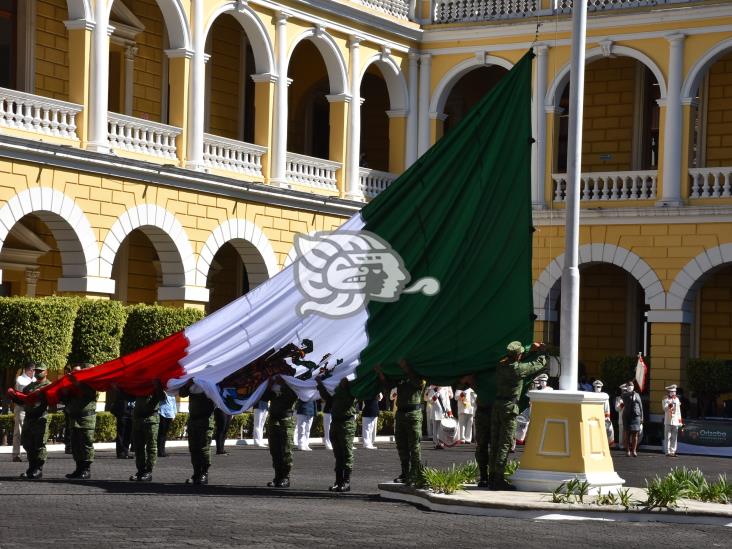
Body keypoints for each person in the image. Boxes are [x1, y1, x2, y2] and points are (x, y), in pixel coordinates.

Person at [489, 341, 547, 490]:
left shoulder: (501, 364)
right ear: (518, 355)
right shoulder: (518, 369)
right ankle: (498, 479)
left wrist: (527, 351)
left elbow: (514, 357)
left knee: (495, 443)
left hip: (497, 406)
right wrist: (541, 351)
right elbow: (538, 364)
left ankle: (491, 477)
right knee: (505, 444)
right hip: (509, 409)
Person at [375, 360, 424, 486]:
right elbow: (388, 387)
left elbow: (419, 384)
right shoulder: (399, 377)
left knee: (414, 445)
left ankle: (415, 473)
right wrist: (380, 373)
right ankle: (405, 473)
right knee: (401, 445)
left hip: (414, 413)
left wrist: (407, 368)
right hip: (401, 413)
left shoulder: (418, 375)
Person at [10, 363, 51, 479]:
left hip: (40, 418)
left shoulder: (49, 386)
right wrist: (14, 397)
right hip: (29, 418)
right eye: (36, 371)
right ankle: (31, 467)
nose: (38, 373)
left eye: (41, 371)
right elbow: (23, 401)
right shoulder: (30, 386)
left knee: (39, 445)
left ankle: (38, 469)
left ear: (46, 372)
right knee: (28, 444)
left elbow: (53, 401)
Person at [317, 376, 357, 492]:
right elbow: (328, 399)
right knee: (338, 454)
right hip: (335, 423)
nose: (342, 381)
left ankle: (346, 482)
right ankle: (338, 481)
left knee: (347, 453)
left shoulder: (352, 391)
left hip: (346, 424)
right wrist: (320, 385)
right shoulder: (337, 391)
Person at [60, 363, 97, 480]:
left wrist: (76, 382)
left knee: (86, 444)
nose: (74, 374)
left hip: (86, 419)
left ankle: (86, 469)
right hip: (74, 419)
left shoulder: (90, 384)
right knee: (75, 445)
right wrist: (65, 392)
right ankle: (78, 468)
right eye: (73, 372)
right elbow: (65, 400)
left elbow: (89, 394)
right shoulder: (72, 386)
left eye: (77, 372)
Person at [263, 375, 298, 487]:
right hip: (273, 419)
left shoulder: (292, 386)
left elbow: (291, 397)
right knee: (275, 451)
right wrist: (269, 385)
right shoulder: (274, 387)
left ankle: (285, 477)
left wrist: (283, 384)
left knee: (286, 451)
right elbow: (265, 397)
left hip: (286, 420)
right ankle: (277, 477)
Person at [129, 382, 166, 481]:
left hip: (151, 419)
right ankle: (140, 470)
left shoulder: (156, 384)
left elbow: (163, 398)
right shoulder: (139, 384)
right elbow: (129, 396)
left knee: (151, 447)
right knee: (138, 447)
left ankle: (148, 471)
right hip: (138, 419)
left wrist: (157, 386)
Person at [180, 381, 215, 484]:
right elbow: (182, 394)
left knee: (204, 448)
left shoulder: (210, 383)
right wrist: (188, 384)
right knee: (193, 448)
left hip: (205, 420)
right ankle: (196, 473)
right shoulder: (193, 383)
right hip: (193, 420)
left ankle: (204, 473)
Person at [11, 364, 34, 462]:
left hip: (32, 409)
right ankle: (16, 454)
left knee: (32, 432)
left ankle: (31, 454)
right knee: (19, 431)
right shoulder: (20, 379)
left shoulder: (34, 379)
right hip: (22, 408)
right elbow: (22, 390)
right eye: (33, 370)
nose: (34, 372)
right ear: (28, 370)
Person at [110, 387, 135, 459]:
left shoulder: (133, 392)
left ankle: (126, 452)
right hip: (123, 415)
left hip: (131, 415)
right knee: (121, 434)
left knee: (128, 435)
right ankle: (120, 453)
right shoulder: (122, 391)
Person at [621, 381, 643, 457]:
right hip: (627, 416)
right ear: (626, 387)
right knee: (627, 434)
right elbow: (625, 396)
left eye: (632, 386)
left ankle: (634, 450)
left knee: (635, 434)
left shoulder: (637, 395)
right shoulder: (624, 394)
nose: (630, 387)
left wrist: (641, 417)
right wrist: (631, 393)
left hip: (636, 416)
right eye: (629, 386)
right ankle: (627, 450)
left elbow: (641, 406)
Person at [593, 380, 614, 447]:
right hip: (593, 416)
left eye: (599, 387)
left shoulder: (604, 396)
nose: (597, 388)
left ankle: (604, 444)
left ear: (601, 387)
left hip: (602, 416)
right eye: (596, 387)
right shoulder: (591, 396)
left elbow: (607, 407)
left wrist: (607, 417)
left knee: (605, 431)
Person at [662, 384, 682, 457]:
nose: (674, 393)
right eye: (672, 392)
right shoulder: (665, 399)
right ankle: (667, 452)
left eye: (674, 392)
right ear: (669, 392)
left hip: (675, 421)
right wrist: (668, 406)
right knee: (667, 436)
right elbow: (664, 409)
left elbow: (678, 412)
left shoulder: (677, 399)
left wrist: (680, 422)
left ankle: (672, 451)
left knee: (674, 437)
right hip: (668, 420)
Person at [158, 392, 177, 457]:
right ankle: (160, 451)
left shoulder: (171, 393)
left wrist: (174, 413)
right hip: (162, 413)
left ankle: (162, 450)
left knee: (164, 434)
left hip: (170, 414)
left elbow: (173, 403)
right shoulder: (161, 391)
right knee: (161, 433)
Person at [614, 384, 626, 450]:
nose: (624, 391)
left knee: (628, 432)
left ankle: (627, 444)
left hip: (628, 418)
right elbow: (616, 409)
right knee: (621, 432)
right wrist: (622, 404)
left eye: (625, 390)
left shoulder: (629, 397)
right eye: (623, 390)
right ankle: (621, 445)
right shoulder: (618, 399)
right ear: (621, 391)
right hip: (621, 418)